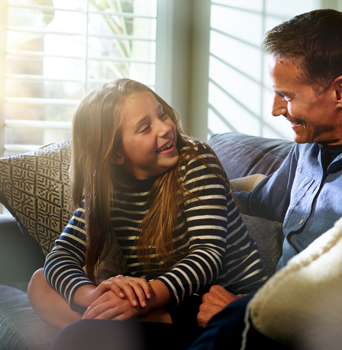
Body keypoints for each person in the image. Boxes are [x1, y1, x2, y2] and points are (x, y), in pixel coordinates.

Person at [189, 9, 342, 349]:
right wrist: (192, 191)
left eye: (288, 96)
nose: (276, 109)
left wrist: (249, 312)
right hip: (272, 307)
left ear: (340, 92)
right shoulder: (312, 142)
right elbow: (265, 201)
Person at [27, 78, 268, 349]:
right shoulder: (107, 185)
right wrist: (93, 295)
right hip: (156, 293)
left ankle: (99, 328)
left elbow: (207, 255)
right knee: (40, 282)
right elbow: (62, 254)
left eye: (161, 114)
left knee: (80, 335)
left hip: (212, 298)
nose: (166, 128)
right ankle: (103, 324)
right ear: (116, 154)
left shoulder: (197, 161)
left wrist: (144, 298)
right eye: (145, 128)